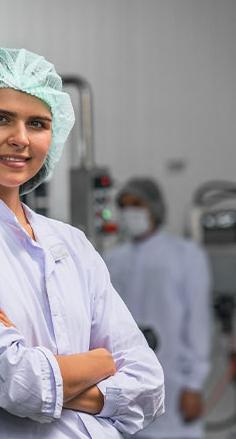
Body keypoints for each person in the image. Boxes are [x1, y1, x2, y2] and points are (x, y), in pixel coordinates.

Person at [0, 48, 165, 438]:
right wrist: (101, 361)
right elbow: (11, 381)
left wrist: (49, 374)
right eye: (0, 118)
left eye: (38, 124)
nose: (20, 139)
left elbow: (148, 387)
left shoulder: (72, 243)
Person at [104, 177, 212, 439]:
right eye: (124, 205)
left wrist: (194, 385)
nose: (130, 212)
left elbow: (197, 323)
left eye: (137, 204)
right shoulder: (112, 260)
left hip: (174, 383)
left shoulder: (185, 255)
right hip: (125, 386)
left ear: (154, 207)